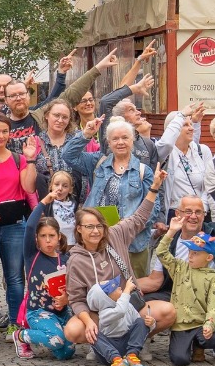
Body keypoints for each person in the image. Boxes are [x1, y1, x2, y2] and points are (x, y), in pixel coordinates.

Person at [64, 176, 165, 366]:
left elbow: (139, 218)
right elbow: (75, 299)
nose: (95, 231)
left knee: (167, 312)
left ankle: (134, 345)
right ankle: (104, 346)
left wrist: (153, 188)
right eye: (89, 227)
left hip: (128, 308)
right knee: (73, 330)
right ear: (79, 230)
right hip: (99, 314)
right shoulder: (75, 260)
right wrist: (89, 321)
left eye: (98, 226)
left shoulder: (115, 235)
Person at [65, 118, 159, 276]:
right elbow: (68, 156)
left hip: (132, 243)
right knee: (101, 285)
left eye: (125, 138)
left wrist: (128, 226)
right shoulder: (97, 162)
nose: (120, 142)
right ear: (108, 142)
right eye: (115, 139)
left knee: (135, 289)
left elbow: (153, 208)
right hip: (98, 239)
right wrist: (86, 134)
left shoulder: (144, 171)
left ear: (132, 140)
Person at [0, 114, 37, 336]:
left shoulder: (17, 159)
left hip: (14, 225)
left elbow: (28, 187)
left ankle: (15, 321)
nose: (1, 136)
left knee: (15, 277)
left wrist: (30, 160)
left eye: (5, 131)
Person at [156, 226, 215, 366]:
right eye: (189, 252)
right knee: (180, 359)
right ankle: (188, 344)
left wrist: (209, 325)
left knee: (212, 340)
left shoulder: (213, 278)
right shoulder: (180, 267)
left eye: (196, 253)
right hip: (181, 325)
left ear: (209, 257)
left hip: (200, 323)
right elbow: (161, 252)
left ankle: (199, 345)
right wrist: (171, 232)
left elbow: (214, 305)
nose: (190, 256)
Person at [16, 215, 74, 360]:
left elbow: (73, 288)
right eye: (43, 236)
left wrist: (65, 299)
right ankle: (22, 335)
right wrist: (45, 201)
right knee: (57, 339)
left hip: (61, 313)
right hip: (37, 311)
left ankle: (52, 337)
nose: (48, 240)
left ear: (59, 236)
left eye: (51, 235)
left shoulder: (66, 259)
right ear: (36, 238)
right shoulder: (32, 256)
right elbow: (29, 227)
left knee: (66, 353)